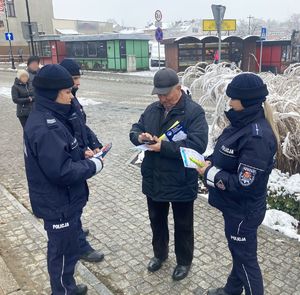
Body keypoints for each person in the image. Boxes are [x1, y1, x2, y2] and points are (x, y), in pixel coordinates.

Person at [24, 64, 104, 295]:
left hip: (64, 200)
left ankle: (67, 287)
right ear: (53, 94)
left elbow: (64, 152)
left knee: (68, 249)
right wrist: (93, 165)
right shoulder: (45, 127)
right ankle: (62, 291)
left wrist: (83, 153)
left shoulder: (53, 117)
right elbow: (61, 171)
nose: (72, 95)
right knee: (61, 252)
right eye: (67, 92)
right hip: (57, 202)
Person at [197, 73, 279, 295]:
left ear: (246, 101)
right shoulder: (240, 122)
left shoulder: (257, 137)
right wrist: (210, 161)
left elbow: (245, 184)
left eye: (233, 98)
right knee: (239, 254)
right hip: (234, 208)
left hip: (243, 212)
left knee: (246, 262)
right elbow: (226, 152)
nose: (229, 102)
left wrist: (209, 173)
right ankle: (231, 291)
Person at [130, 68, 208, 281]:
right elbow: (135, 128)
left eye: (166, 94)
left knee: (183, 225)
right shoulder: (153, 109)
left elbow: (198, 145)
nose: (162, 98)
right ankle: (160, 254)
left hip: (181, 180)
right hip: (154, 178)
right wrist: (140, 136)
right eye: (159, 94)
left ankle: (184, 261)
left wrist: (163, 146)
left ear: (179, 88)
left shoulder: (194, 112)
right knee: (156, 220)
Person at [60, 58, 104, 263]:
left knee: (77, 202)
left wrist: (93, 144)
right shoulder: (60, 104)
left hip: (79, 159)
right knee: (72, 204)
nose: (78, 83)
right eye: (74, 79)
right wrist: (82, 152)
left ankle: (76, 229)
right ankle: (79, 246)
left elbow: (82, 126)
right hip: (70, 165)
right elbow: (67, 137)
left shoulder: (72, 99)